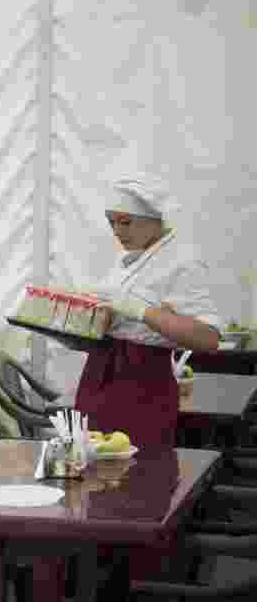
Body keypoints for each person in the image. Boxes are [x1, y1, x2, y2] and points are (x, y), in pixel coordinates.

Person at [75, 174, 222, 449]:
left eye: (125, 221)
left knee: (139, 470)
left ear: (156, 219)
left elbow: (209, 338)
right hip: (101, 371)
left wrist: (142, 311)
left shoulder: (183, 262)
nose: (117, 231)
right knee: (94, 462)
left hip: (142, 379)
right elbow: (118, 323)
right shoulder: (128, 258)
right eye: (111, 222)